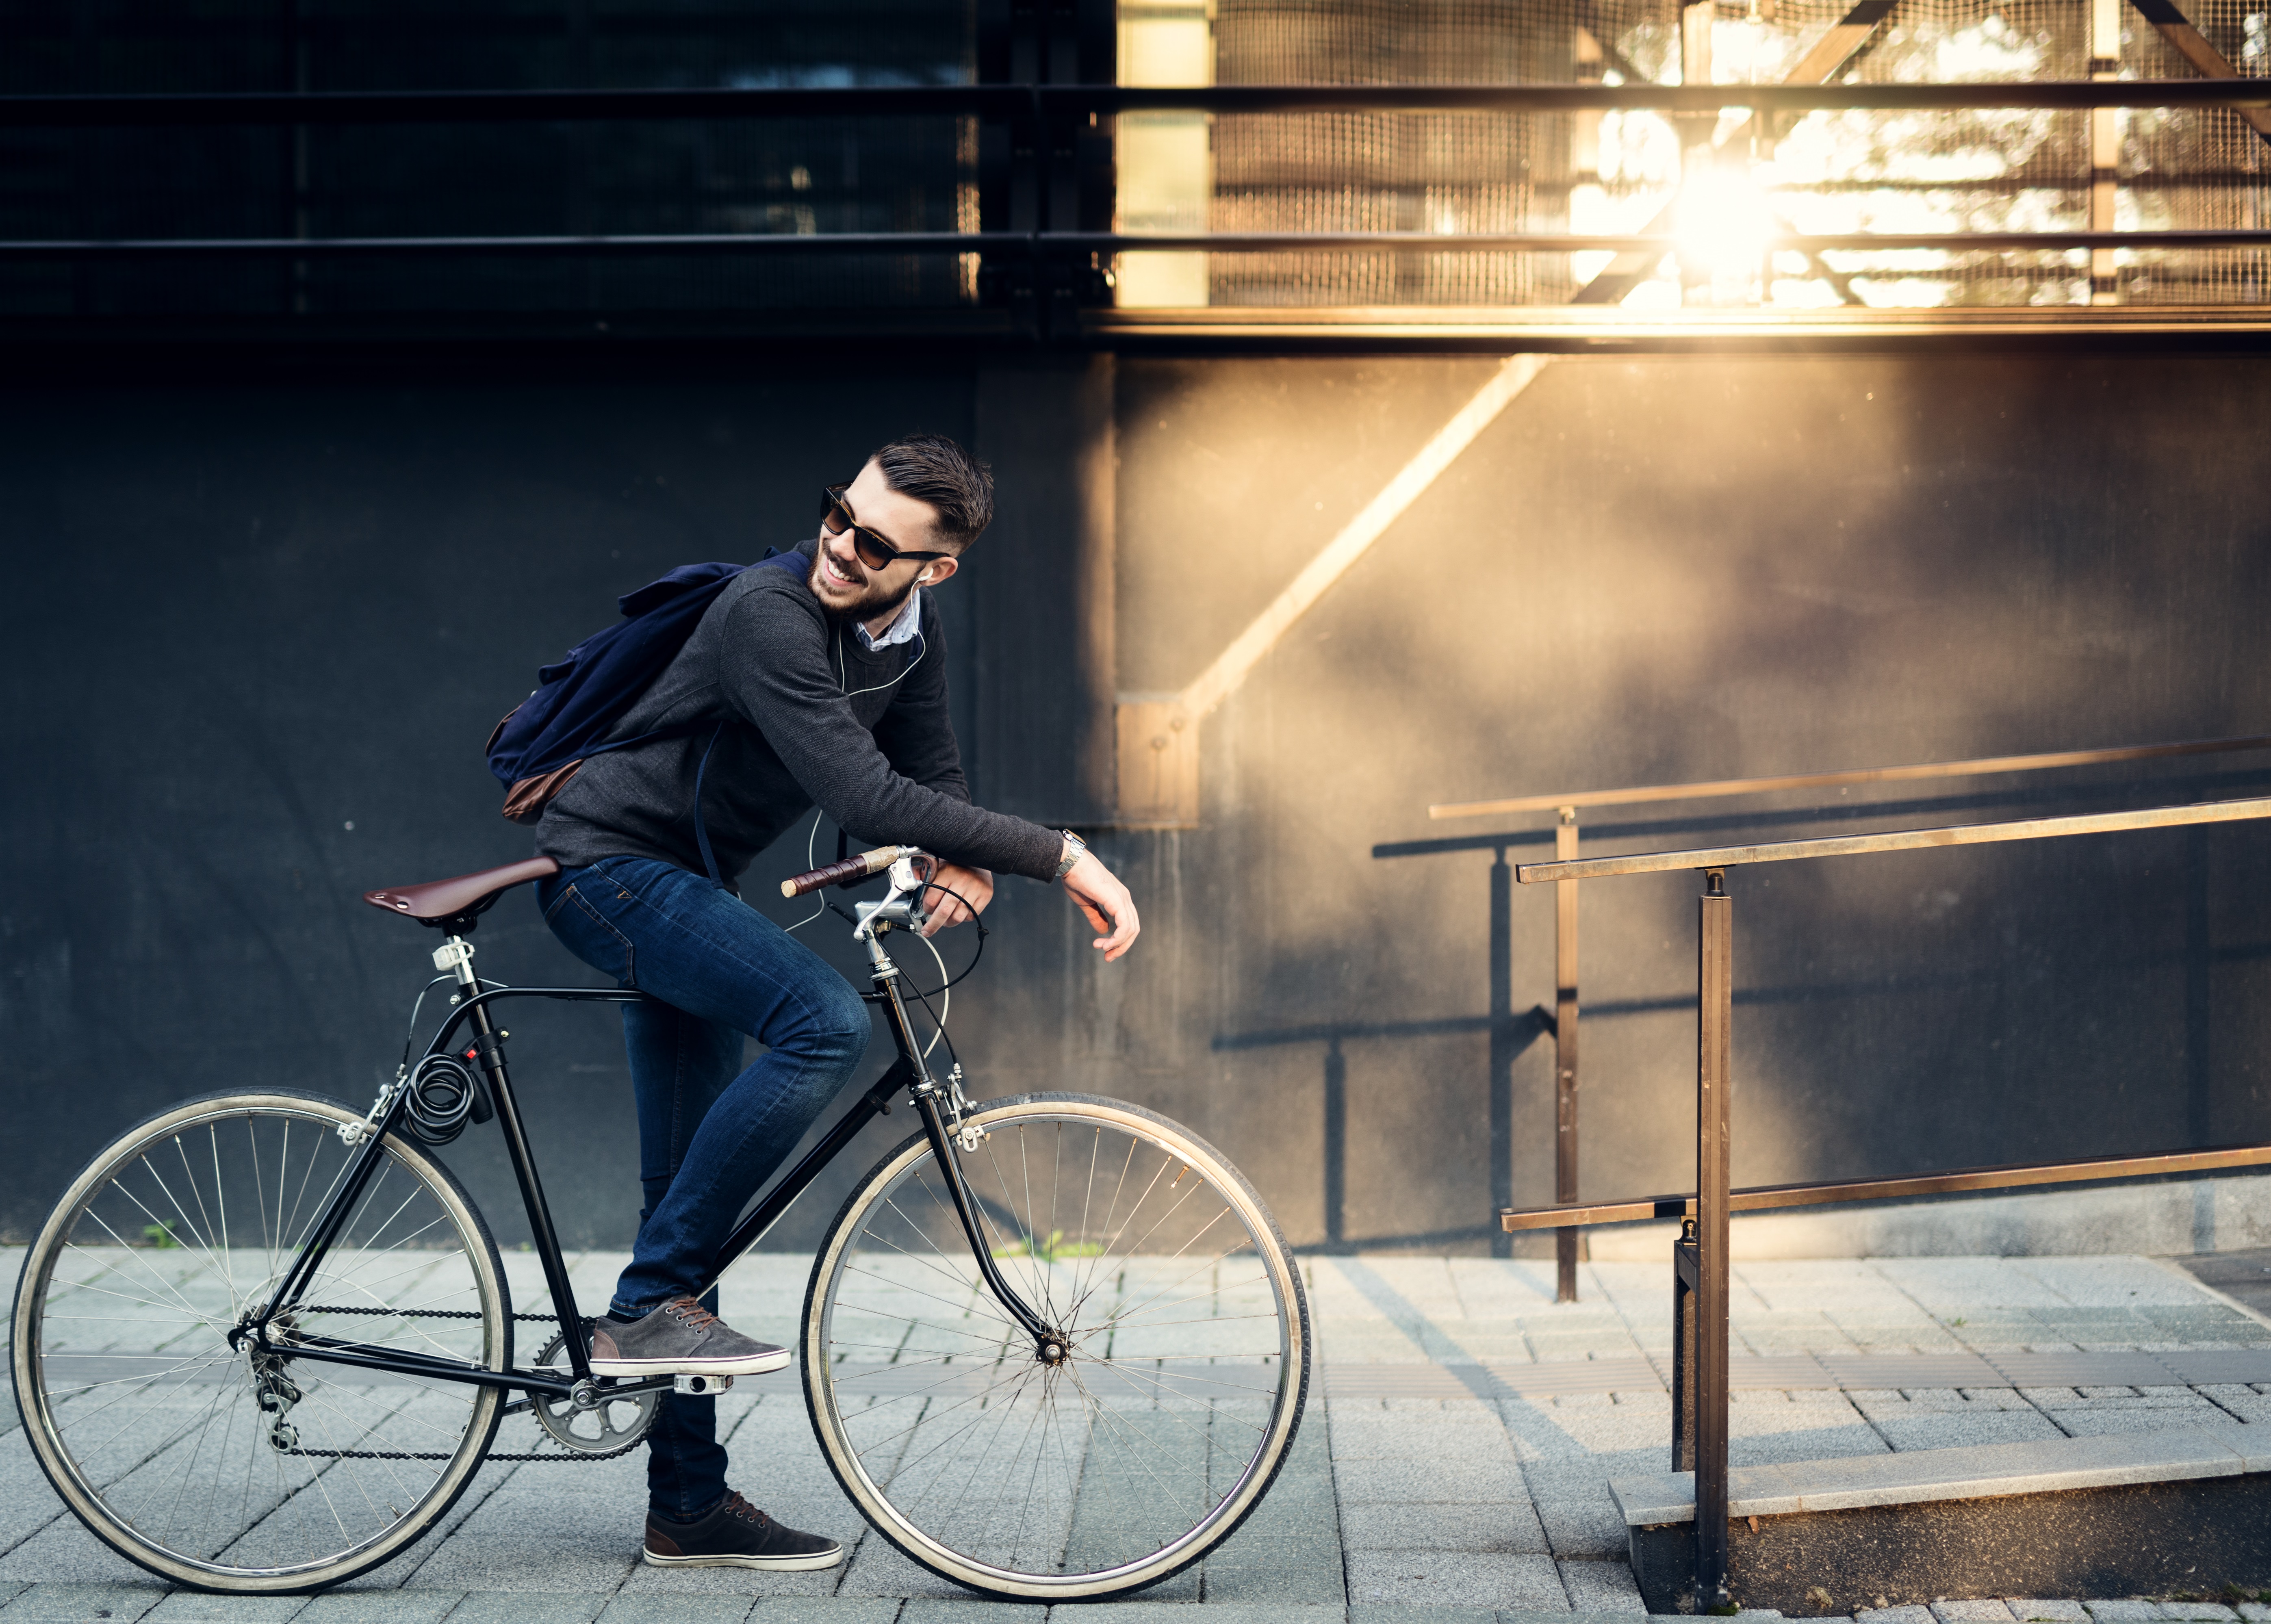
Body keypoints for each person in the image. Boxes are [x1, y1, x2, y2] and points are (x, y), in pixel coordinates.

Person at [531, 433, 1139, 1571]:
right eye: (838, 517)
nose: (842, 549)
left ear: (934, 570)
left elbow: (927, 771)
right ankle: (647, 1307)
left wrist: (960, 854)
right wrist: (1056, 854)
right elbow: (859, 790)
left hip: (682, 883)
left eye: (877, 545)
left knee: (689, 1197)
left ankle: (687, 1506)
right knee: (823, 1020)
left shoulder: (908, 630)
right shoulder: (768, 612)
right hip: (607, 869)